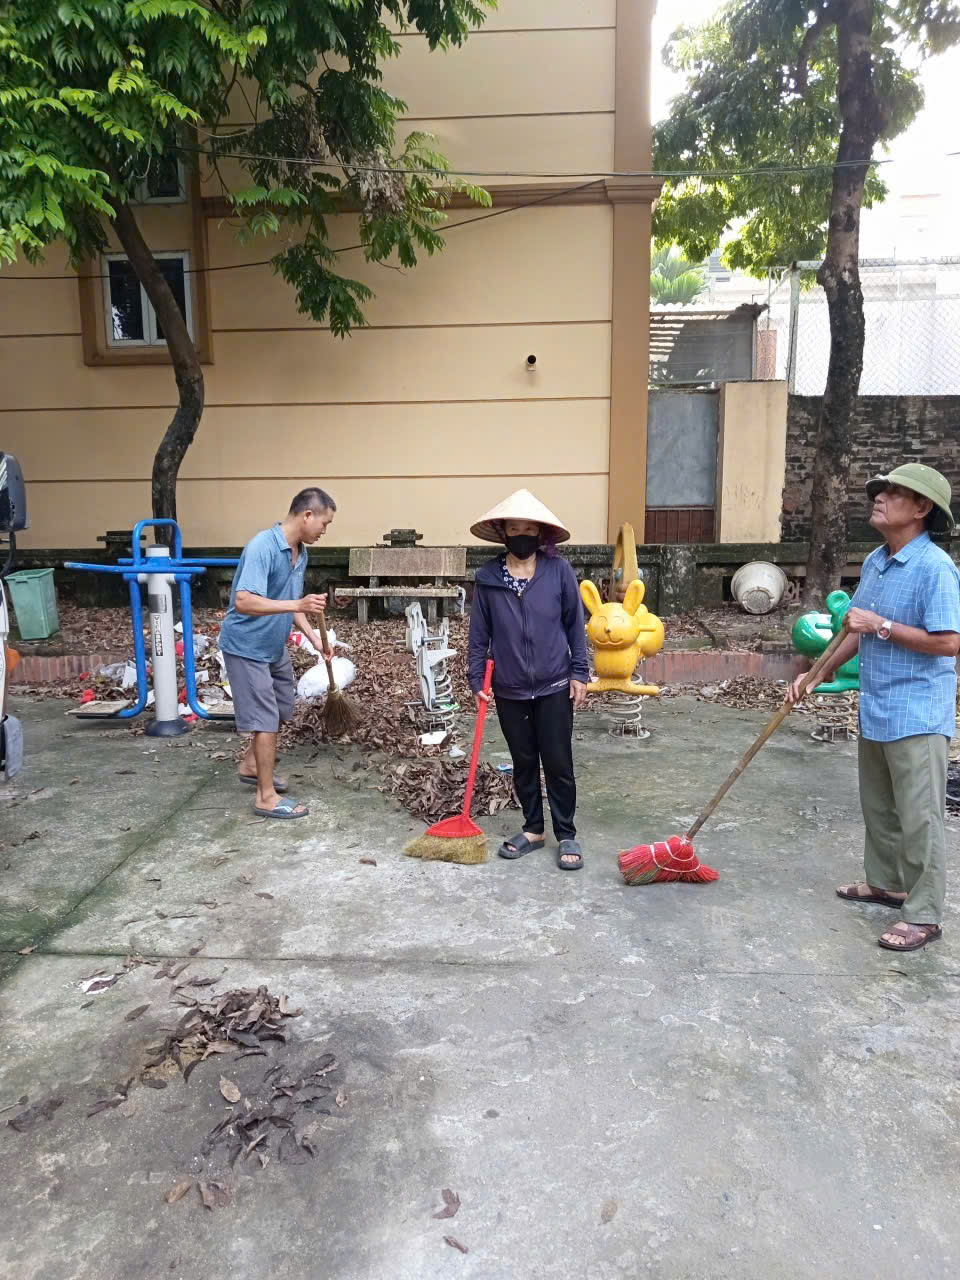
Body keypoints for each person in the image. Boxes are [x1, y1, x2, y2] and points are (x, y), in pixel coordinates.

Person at [788, 463, 960, 951]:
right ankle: (888, 884)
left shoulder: (935, 569)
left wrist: (882, 625)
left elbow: (949, 642)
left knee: (921, 816)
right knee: (879, 806)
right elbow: (853, 631)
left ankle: (924, 915)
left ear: (922, 508)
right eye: (879, 492)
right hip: (878, 706)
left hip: (918, 713)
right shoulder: (877, 562)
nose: (878, 499)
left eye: (892, 493)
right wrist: (814, 674)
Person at [468, 488, 589, 870]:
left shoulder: (559, 571)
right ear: (503, 532)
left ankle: (566, 832)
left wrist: (579, 672)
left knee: (557, 760)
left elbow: (575, 625)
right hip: (510, 688)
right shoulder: (488, 578)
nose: (521, 535)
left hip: (554, 682)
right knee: (522, 760)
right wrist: (477, 682)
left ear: (541, 533)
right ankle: (534, 829)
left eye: (528, 528)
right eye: (514, 528)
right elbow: (478, 637)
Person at [219, 487, 337, 820]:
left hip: (272, 646)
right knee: (265, 719)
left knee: (284, 703)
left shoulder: (300, 552)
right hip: (246, 647)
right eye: (324, 524)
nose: (324, 531)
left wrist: (315, 639)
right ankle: (265, 797)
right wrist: (296, 604)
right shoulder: (263, 547)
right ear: (307, 515)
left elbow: (291, 600)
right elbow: (243, 600)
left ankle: (252, 763)